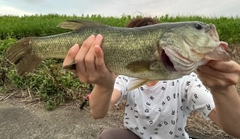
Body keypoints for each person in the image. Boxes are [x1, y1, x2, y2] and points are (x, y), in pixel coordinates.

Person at [63, 17, 240, 139]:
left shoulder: (185, 82)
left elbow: (236, 128)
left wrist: (222, 90)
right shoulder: (127, 77)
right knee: (107, 136)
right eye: (198, 28)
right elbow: (98, 112)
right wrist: (103, 85)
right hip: (137, 136)